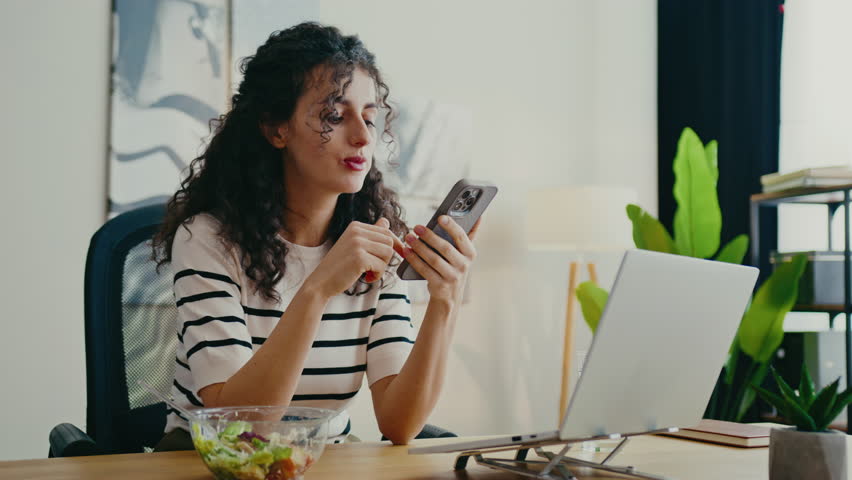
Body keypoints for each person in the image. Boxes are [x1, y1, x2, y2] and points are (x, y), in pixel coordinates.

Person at [151, 22, 480, 450]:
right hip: (213, 462)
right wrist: (318, 288)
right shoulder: (208, 239)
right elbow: (239, 426)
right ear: (276, 129)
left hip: (323, 459)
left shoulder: (376, 242)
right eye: (334, 116)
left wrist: (444, 300)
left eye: (369, 118)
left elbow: (400, 424)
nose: (362, 136)